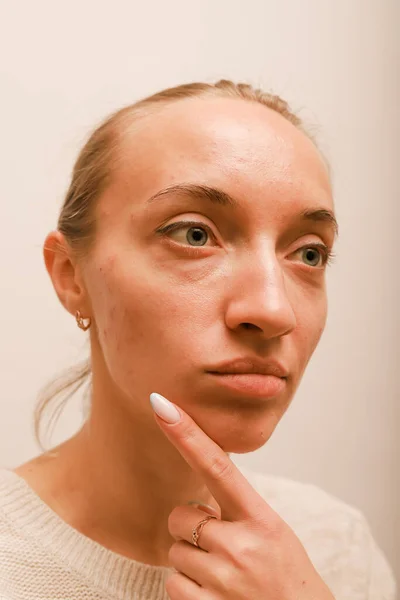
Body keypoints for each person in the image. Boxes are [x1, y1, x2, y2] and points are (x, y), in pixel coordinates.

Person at [0, 79, 396, 600]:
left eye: (308, 253)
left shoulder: (338, 548)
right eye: (194, 234)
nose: (272, 310)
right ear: (72, 276)